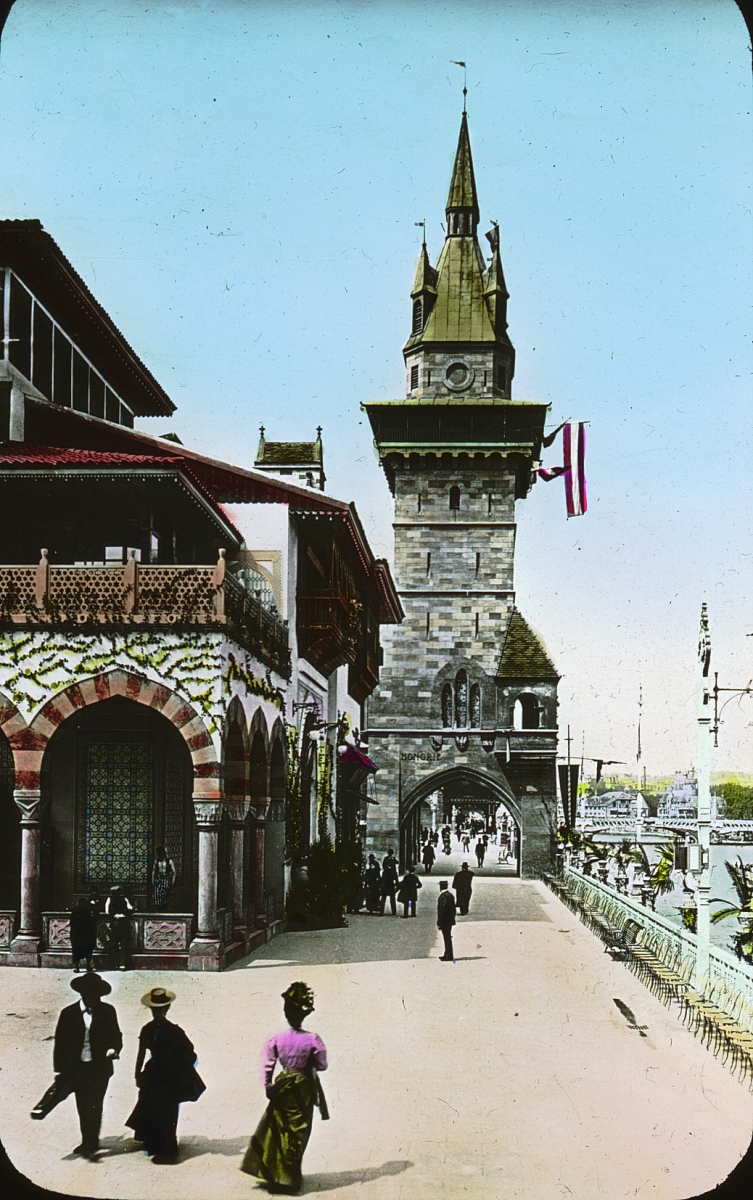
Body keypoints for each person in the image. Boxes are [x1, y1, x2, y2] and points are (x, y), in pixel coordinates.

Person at [241, 982, 328, 1195]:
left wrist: (268, 1084)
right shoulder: (312, 1040)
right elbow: (322, 1064)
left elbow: (268, 1064)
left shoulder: (277, 1039)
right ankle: (290, 1177)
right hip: (304, 1087)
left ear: (286, 1012)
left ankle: (274, 1173)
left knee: (279, 1127)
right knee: (299, 1130)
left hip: (284, 1083)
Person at [30, 973, 122, 1159]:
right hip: (77, 1068)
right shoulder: (68, 1014)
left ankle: (91, 1142)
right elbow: (61, 1043)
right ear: (82, 994)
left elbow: (116, 1035)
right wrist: (61, 1070)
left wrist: (113, 1049)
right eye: (89, 995)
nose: (93, 999)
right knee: (82, 1105)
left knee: (94, 1105)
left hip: (99, 1068)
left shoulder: (107, 1011)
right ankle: (87, 1140)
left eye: (96, 996)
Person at [126, 986, 205, 1162]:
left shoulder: (170, 1031)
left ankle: (169, 1147)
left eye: (160, 1010)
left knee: (167, 1110)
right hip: (156, 1075)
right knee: (155, 1108)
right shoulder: (154, 1029)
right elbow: (141, 1052)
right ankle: (157, 1143)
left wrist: (180, 1071)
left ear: (166, 1009)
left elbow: (190, 1053)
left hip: (166, 1076)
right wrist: (137, 1073)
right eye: (155, 1010)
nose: (157, 1013)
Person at [105, 885, 134, 970]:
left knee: (114, 943)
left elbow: (107, 911)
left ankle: (115, 964)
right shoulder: (124, 899)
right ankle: (123, 964)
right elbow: (130, 908)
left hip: (115, 922)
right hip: (124, 922)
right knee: (124, 944)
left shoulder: (109, 899)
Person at [70, 896, 97, 973]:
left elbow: (71, 923)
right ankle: (88, 965)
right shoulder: (89, 911)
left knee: (76, 951)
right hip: (87, 934)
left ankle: (77, 967)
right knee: (88, 950)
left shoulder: (75, 910)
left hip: (77, 934)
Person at [151, 847, 176, 911]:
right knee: (157, 895)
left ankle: (165, 907)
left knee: (166, 895)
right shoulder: (156, 861)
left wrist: (172, 882)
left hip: (166, 879)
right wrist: (153, 881)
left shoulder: (169, 861)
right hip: (158, 879)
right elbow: (153, 871)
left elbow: (174, 872)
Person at [437, 881, 456, 962]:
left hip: (445, 921)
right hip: (450, 920)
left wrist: (439, 922)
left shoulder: (443, 896)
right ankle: (447, 953)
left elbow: (442, 910)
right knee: (448, 937)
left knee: (446, 938)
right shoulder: (450, 895)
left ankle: (448, 955)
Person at [379, 849, 399, 915]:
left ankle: (384, 912)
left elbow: (397, 862)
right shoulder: (388, 860)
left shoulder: (390, 859)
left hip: (387, 883)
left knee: (386, 898)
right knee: (388, 898)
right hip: (389, 884)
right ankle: (392, 911)